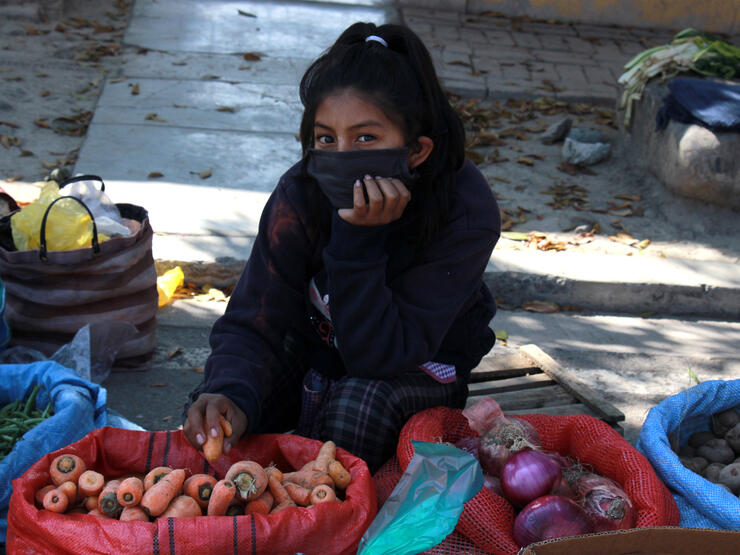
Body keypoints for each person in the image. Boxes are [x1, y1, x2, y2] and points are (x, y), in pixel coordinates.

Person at [183, 21, 501, 473]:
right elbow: (255, 315)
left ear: (416, 151)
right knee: (218, 413)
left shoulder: (464, 209)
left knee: (355, 409)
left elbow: (379, 358)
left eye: (366, 138)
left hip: (414, 368)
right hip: (318, 348)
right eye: (326, 139)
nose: (342, 155)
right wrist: (228, 391)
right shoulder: (300, 193)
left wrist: (358, 237)